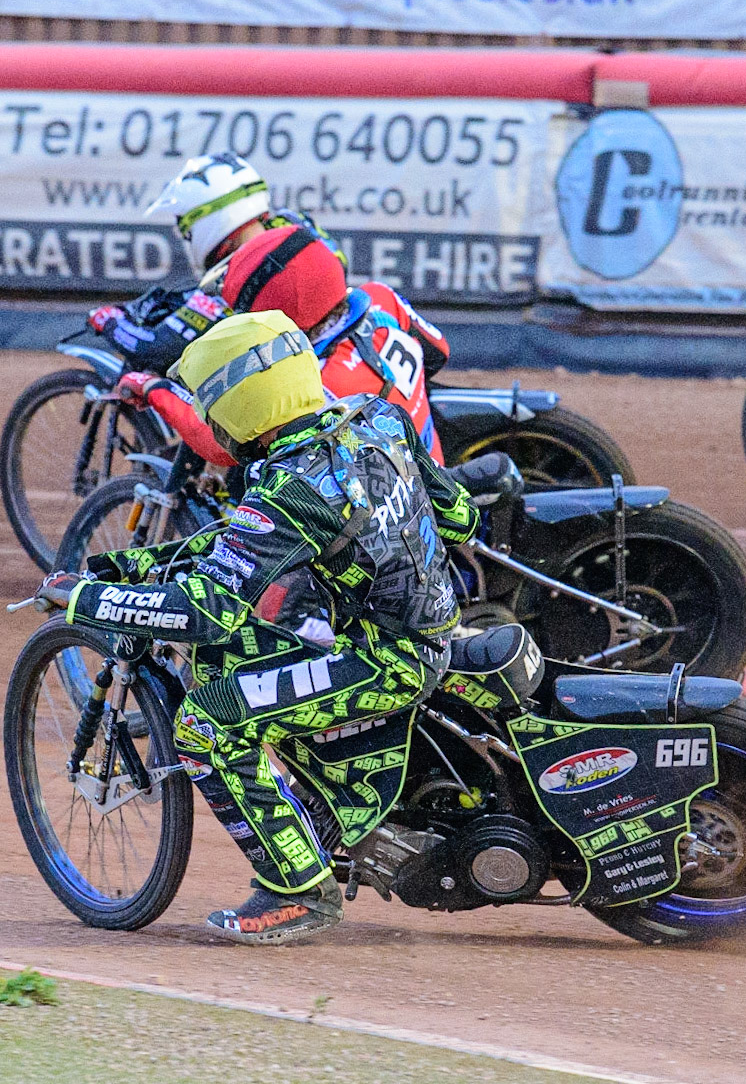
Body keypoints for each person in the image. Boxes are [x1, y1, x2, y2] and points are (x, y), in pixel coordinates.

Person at [35, 310, 480, 945]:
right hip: (429, 627)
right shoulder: (377, 417)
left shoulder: (290, 484)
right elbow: (458, 516)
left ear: (239, 409)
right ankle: (328, 810)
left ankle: (297, 891)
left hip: (388, 658)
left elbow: (204, 611)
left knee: (205, 724)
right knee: (238, 665)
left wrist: (88, 599)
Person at [116, 225, 448, 467]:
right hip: (427, 465)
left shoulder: (315, 381)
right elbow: (439, 351)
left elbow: (223, 445)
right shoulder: (382, 297)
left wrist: (157, 390)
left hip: (375, 520)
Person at [87, 152, 345, 371]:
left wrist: (109, 320)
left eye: (187, 229)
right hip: (349, 345)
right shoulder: (299, 227)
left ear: (208, 219)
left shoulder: (228, 278)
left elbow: (155, 349)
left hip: (291, 380)